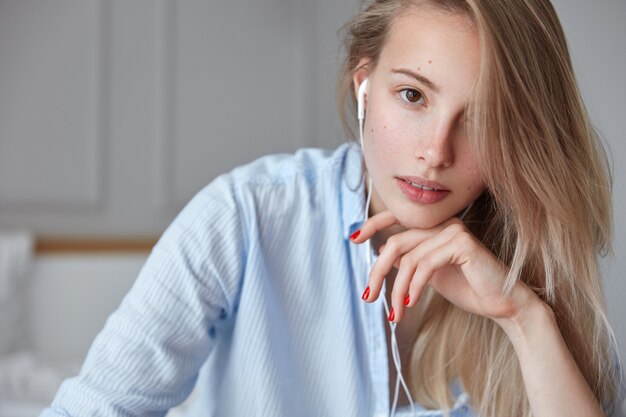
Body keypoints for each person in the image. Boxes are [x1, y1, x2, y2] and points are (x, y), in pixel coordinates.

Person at [41, 0, 625, 416]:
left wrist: (523, 319)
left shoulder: (536, 266)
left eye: (482, 119)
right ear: (363, 85)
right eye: (413, 95)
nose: (434, 152)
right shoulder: (246, 217)